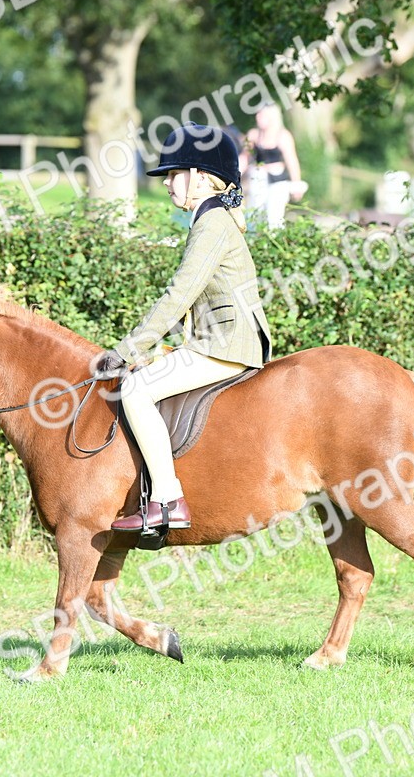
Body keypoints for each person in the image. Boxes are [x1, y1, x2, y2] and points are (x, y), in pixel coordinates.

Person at [94, 124, 273, 532]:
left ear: (200, 177)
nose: (168, 183)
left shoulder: (211, 224)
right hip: (218, 341)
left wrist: (127, 350)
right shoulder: (212, 220)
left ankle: (168, 499)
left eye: (175, 175)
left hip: (227, 345)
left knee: (136, 390)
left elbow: (179, 295)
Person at [243, 103, 306, 229]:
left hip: (278, 182)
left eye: (261, 115)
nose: (257, 117)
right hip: (258, 180)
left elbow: (292, 161)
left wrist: (296, 184)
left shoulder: (283, 135)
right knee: (254, 216)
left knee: (274, 218)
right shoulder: (253, 135)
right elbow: (244, 158)